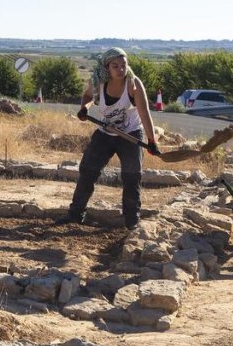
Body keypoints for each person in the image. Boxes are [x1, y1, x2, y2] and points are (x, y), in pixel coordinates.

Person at [59, 47, 160, 230]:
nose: (121, 69)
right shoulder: (98, 82)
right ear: (107, 67)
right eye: (116, 66)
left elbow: (145, 113)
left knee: (131, 177)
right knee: (87, 170)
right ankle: (75, 214)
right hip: (105, 134)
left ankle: (131, 222)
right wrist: (85, 108)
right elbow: (88, 96)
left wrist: (152, 141)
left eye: (124, 65)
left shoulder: (133, 84)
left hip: (130, 135)